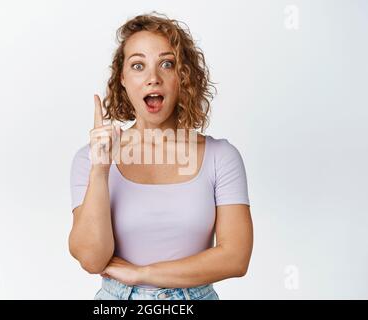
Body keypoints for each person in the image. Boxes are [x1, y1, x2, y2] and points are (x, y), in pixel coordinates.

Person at [68, 11, 253, 300]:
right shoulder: (90, 159)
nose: (153, 78)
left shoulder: (221, 157)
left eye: (166, 64)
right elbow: (91, 259)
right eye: (138, 66)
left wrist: (144, 274)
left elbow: (235, 258)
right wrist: (100, 170)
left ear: (183, 77)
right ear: (123, 80)